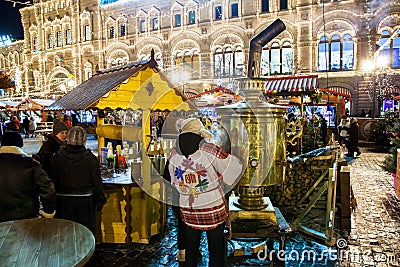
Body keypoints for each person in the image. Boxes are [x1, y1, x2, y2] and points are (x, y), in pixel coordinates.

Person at [164, 118, 243, 266]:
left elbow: (169, 179)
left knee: (191, 252)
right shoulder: (209, 149)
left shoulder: (174, 154)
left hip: (189, 210)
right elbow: (232, 169)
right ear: (199, 133)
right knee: (216, 251)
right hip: (213, 209)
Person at [50, 126, 106, 234]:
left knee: (65, 233)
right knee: (85, 234)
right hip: (85, 202)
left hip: (63, 202)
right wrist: (100, 199)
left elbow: (53, 179)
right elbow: (97, 183)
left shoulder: (58, 157)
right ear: (84, 141)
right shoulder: (90, 159)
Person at [0, 131, 56, 222]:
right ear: (20, 144)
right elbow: (48, 189)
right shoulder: (31, 164)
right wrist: (48, 212)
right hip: (26, 216)